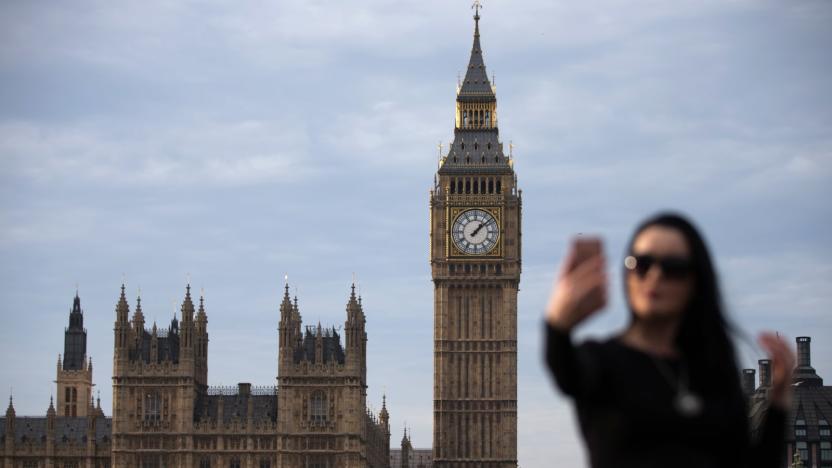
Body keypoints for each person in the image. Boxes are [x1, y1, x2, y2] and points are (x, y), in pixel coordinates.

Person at [543, 212, 794, 468]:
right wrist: (557, 325)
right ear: (627, 274)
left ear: (696, 282)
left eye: (673, 268)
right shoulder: (601, 361)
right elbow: (564, 371)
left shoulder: (715, 375)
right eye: (642, 264)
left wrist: (777, 407)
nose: (655, 276)